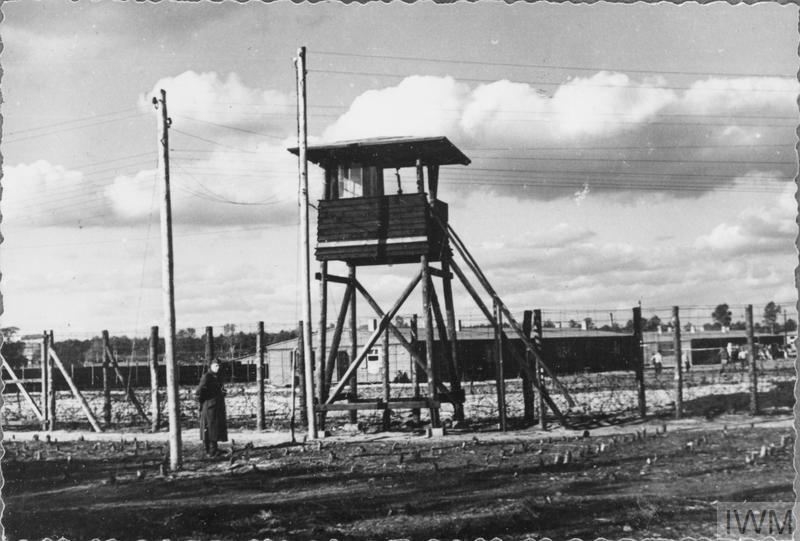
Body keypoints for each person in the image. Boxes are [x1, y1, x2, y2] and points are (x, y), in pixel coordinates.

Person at [195, 359, 228, 457]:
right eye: (215, 366)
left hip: (216, 406)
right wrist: (204, 402)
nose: (217, 368)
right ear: (211, 366)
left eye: (218, 366)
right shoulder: (207, 376)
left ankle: (214, 448)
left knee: (215, 428)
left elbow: (216, 389)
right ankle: (210, 450)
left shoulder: (217, 377)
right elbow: (199, 392)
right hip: (209, 406)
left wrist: (221, 393)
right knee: (210, 427)